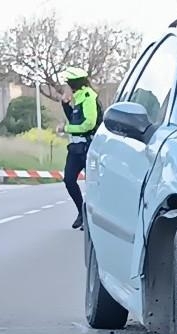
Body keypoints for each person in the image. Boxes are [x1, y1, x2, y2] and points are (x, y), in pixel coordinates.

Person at [59, 67, 102, 230]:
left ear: (73, 84)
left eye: (67, 84)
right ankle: (81, 212)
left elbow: (89, 124)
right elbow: (75, 120)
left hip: (88, 147)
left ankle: (90, 218)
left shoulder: (88, 96)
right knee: (69, 180)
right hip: (76, 148)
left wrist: (66, 129)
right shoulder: (78, 98)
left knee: (92, 184)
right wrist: (65, 105)